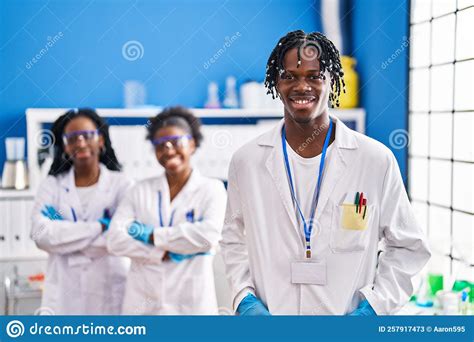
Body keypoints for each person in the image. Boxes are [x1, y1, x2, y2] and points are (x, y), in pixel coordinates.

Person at [220, 30, 431, 315]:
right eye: (289, 76)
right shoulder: (247, 161)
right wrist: (244, 298)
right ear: (275, 82)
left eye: (314, 76)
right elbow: (233, 238)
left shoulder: (375, 159)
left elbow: (408, 246)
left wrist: (375, 306)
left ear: (332, 81)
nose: (301, 86)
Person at [107, 106, 227, 315]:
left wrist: (151, 235)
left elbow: (209, 236)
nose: (168, 149)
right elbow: (115, 240)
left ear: (192, 143)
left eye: (176, 141)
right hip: (144, 304)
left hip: (192, 305)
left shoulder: (212, 189)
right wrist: (162, 251)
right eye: (160, 144)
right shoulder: (138, 190)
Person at [30, 108, 132, 314]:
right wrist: (99, 226)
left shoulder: (122, 185)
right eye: (73, 138)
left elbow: (120, 238)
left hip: (110, 290)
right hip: (64, 293)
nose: (81, 143)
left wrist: (64, 238)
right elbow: (41, 235)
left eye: (88, 135)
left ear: (101, 140)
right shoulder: (52, 185)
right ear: (65, 146)